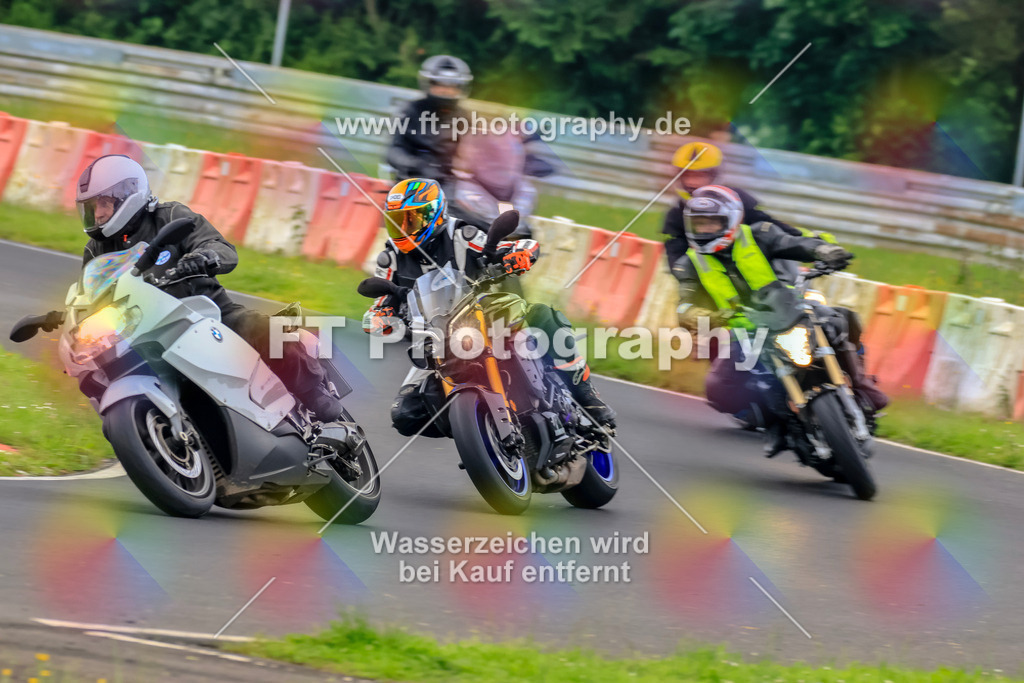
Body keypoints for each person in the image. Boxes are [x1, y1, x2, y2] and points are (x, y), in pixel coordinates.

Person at [48, 154, 342, 422]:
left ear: (127, 194)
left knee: (262, 329)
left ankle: (314, 394)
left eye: (103, 203)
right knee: (94, 370)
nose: (97, 214)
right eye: (91, 207)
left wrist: (203, 257)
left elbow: (219, 247)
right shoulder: (95, 250)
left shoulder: (170, 216)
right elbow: (93, 292)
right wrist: (67, 316)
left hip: (206, 313)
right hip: (142, 329)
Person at [361, 177, 616, 432]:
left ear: (435, 215)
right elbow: (382, 301)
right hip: (437, 340)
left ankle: (587, 396)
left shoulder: (461, 234)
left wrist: (520, 253)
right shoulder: (390, 258)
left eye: (411, 219)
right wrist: (377, 317)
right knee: (405, 414)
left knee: (542, 317)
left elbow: (504, 246)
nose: (404, 228)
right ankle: (480, 428)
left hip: (479, 313)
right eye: (397, 221)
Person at [672, 186, 888, 454]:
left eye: (712, 222)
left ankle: (860, 384)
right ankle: (776, 423)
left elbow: (794, 244)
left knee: (842, 319)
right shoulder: (688, 263)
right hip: (744, 330)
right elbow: (685, 304)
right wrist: (704, 317)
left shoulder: (760, 234)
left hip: (786, 311)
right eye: (699, 223)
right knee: (717, 387)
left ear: (730, 220)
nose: (705, 229)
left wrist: (823, 250)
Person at [662, 141, 834, 270]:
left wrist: (812, 243)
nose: (693, 183)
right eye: (688, 175)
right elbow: (677, 263)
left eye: (700, 176)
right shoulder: (675, 215)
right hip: (714, 281)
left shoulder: (737, 199)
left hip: (755, 270)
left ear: (715, 175)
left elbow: (771, 225)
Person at [385, 55, 472, 194]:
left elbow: (475, 155)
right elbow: (394, 151)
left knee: (479, 211)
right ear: (429, 84)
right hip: (414, 183)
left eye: (452, 86)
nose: (445, 90)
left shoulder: (466, 118)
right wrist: (416, 164)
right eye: (439, 84)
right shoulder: (411, 111)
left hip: (452, 187)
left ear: (460, 88)